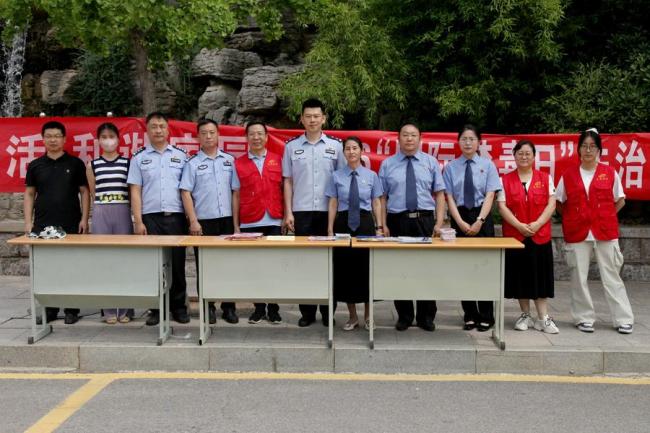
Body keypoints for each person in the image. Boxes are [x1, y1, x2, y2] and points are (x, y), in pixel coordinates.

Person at [555, 128, 634, 334]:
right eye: (584, 146)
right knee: (578, 277)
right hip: (577, 232)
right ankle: (584, 318)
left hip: (605, 231)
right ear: (578, 149)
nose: (588, 150)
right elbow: (559, 202)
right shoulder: (568, 175)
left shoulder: (609, 173)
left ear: (599, 150)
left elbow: (620, 200)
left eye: (592, 146)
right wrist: (574, 217)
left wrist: (604, 216)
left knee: (612, 276)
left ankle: (623, 319)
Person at [282, 98, 346, 327]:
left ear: (323, 119)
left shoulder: (336, 146)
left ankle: (329, 312)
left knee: (330, 262)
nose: (312, 120)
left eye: (316, 116)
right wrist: (288, 212)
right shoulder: (291, 147)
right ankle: (307, 312)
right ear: (301, 119)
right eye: (308, 116)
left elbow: (342, 181)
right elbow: (288, 181)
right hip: (302, 212)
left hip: (328, 213)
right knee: (305, 264)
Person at [379, 123, 446, 332]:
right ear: (398, 138)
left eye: (413, 135)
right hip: (397, 221)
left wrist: (439, 222)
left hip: (424, 221)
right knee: (400, 270)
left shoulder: (430, 162)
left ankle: (426, 316)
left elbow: (440, 194)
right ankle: (405, 316)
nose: (409, 139)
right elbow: (382, 198)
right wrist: (382, 224)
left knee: (427, 269)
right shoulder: (388, 164)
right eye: (405, 135)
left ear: (420, 138)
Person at [24, 120, 90, 324]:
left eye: (57, 136)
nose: (53, 140)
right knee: (47, 268)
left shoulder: (75, 164)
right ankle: (49, 309)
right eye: (49, 136)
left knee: (71, 266)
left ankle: (72, 309)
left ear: (64, 139)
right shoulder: (35, 165)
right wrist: (28, 222)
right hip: (43, 224)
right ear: (43, 139)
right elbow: (29, 194)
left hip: (71, 223)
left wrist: (84, 218)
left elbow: (84, 192)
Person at [128, 112, 190, 326]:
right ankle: (156, 308)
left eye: (162, 126)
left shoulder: (182, 156)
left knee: (177, 264)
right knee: (154, 264)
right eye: (153, 126)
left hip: (176, 217)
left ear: (168, 129)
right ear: (147, 130)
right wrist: (138, 221)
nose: (158, 130)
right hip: (150, 218)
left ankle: (179, 307)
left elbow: (188, 190)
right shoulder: (139, 158)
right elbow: (135, 190)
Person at [180, 118, 240, 325]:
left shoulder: (229, 161)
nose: (208, 136)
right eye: (204, 133)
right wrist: (193, 221)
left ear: (218, 135)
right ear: (198, 137)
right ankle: (208, 307)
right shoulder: (192, 163)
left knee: (229, 266)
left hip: (227, 220)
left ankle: (229, 307)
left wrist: (236, 224)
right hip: (204, 222)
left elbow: (235, 193)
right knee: (204, 266)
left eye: (212, 132)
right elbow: (185, 192)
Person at [443, 124, 501, 332]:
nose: (468, 143)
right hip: (460, 216)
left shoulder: (488, 165)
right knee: (464, 269)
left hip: (481, 217)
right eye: (464, 139)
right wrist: (459, 222)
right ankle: (469, 314)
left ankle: (487, 315)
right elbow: (449, 197)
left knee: (484, 268)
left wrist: (480, 220)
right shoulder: (451, 167)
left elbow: (490, 194)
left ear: (479, 143)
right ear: (458, 142)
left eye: (472, 139)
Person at [497, 140, 558, 334]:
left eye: (528, 153)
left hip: (540, 235)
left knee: (541, 276)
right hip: (516, 236)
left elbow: (552, 204)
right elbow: (502, 206)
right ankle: (525, 315)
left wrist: (538, 224)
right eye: (520, 153)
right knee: (520, 276)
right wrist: (519, 225)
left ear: (534, 156)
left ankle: (543, 318)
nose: (524, 157)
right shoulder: (505, 180)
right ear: (514, 156)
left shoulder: (545, 178)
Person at [326, 136, 383, 331]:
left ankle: (368, 316)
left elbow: (376, 202)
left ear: (361, 151)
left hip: (365, 224)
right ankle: (352, 316)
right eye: (348, 149)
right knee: (346, 270)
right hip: (343, 224)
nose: (351, 152)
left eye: (355, 148)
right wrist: (330, 228)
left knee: (366, 269)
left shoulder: (371, 175)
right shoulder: (336, 176)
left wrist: (380, 227)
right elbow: (333, 202)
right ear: (344, 152)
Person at [233, 121, 283, 324]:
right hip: (249, 222)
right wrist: (236, 226)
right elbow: (236, 195)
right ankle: (259, 308)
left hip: (274, 219)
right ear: (246, 138)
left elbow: (285, 189)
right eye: (252, 134)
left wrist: (287, 216)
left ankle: (274, 308)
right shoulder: (238, 163)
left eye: (260, 134)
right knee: (254, 268)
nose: (256, 137)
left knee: (274, 266)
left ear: (267, 137)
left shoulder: (278, 159)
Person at [86, 122, 134, 324]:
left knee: (125, 259)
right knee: (103, 259)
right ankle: (108, 310)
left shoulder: (127, 163)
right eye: (104, 137)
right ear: (98, 141)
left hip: (122, 211)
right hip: (101, 211)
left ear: (118, 139)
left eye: (111, 136)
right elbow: (92, 192)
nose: (108, 141)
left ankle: (126, 309)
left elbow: (132, 191)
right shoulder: (92, 165)